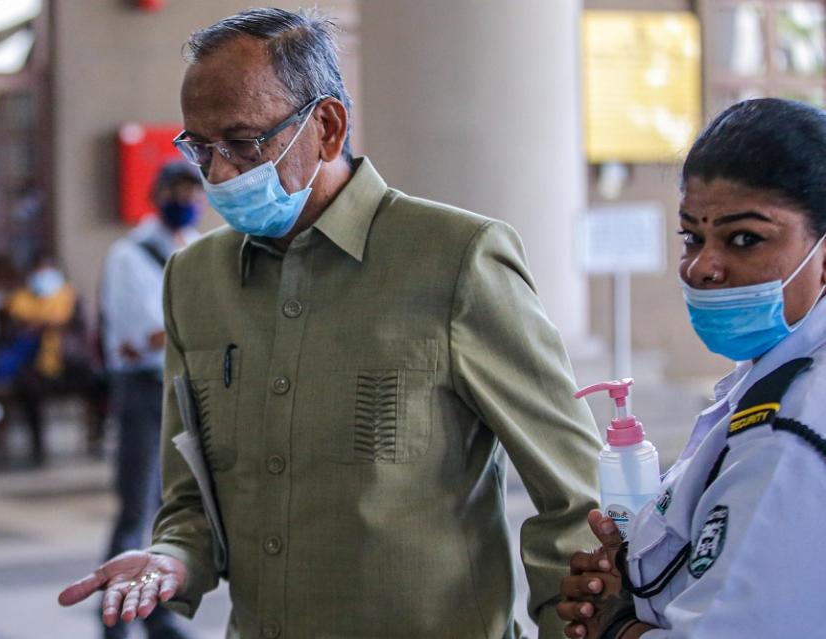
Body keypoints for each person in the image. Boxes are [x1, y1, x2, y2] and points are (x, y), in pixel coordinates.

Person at [60, 8, 601, 638]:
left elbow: (576, 497)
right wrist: (173, 557)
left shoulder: (456, 259)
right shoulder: (194, 281)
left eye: (242, 141)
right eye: (200, 149)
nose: (220, 173)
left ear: (327, 125)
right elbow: (192, 496)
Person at [557, 98, 826, 639]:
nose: (702, 266)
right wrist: (632, 575)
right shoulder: (765, 382)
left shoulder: (791, 428)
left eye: (744, 238)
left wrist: (615, 627)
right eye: (692, 237)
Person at [97, 160, 204, 639]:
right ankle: (115, 617)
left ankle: (157, 611)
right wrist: (195, 326)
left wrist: (185, 328)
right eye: (177, 190)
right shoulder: (129, 255)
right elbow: (145, 334)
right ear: (158, 195)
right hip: (143, 391)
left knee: (173, 506)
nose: (186, 200)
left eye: (192, 191)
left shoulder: (198, 247)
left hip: (183, 388)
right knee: (136, 506)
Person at [0, 254, 104, 465]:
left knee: (100, 382)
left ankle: (96, 439)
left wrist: (57, 330)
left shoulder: (70, 299)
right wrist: (33, 330)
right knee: (27, 387)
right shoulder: (18, 303)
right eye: (39, 272)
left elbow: (84, 333)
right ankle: (38, 447)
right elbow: (8, 337)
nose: (43, 277)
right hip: (35, 366)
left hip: (70, 363)